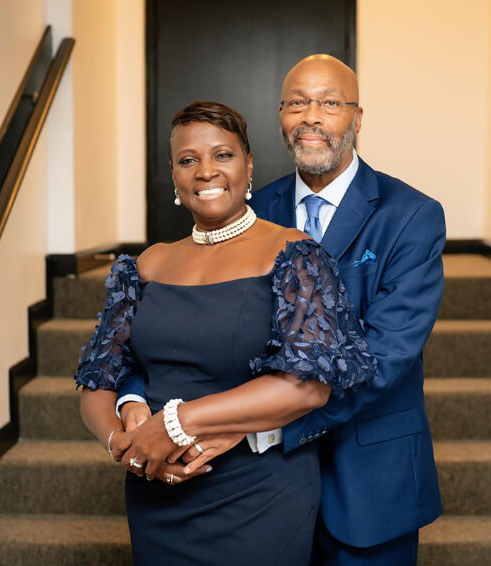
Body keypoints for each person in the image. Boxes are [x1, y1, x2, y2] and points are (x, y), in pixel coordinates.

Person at [119, 55, 447, 565]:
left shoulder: (411, 216)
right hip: (248, 492)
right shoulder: (246, 205)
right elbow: (178, 327)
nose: (311, 115)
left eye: (330, 103)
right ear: (280, 117)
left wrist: (258, 425)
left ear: (357, 118)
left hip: (365, 481)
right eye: (297, 102)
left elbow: (383, 356)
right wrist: (134, 399)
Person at [75, 101, 376, 566]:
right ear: (173, 175)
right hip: (158, 491)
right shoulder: (147, 264)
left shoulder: (294, 253)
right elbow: (98, 378)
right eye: (188, 160)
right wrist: (124, 443)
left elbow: (309, 386)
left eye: (223, 155)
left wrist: (175, 423)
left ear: (249, 165)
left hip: (258, 490)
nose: (206, 172)